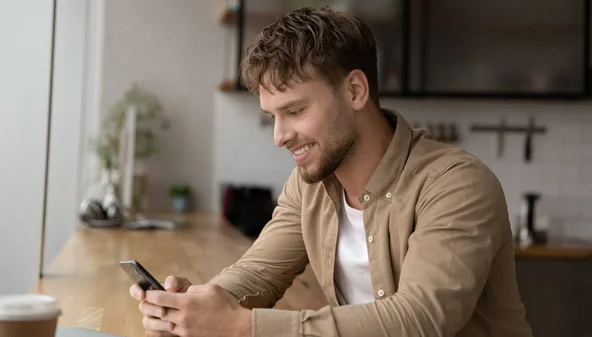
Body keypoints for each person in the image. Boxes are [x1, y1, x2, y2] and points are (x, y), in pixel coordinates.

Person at [129, 6, 533, 337]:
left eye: (296, 111)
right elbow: (259, 272)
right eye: (272, 116)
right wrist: (194, 307)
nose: (280, 136)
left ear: (355, 91)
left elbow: (421, 318)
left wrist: (243, 326)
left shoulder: (455, 184)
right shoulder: (310, 185)